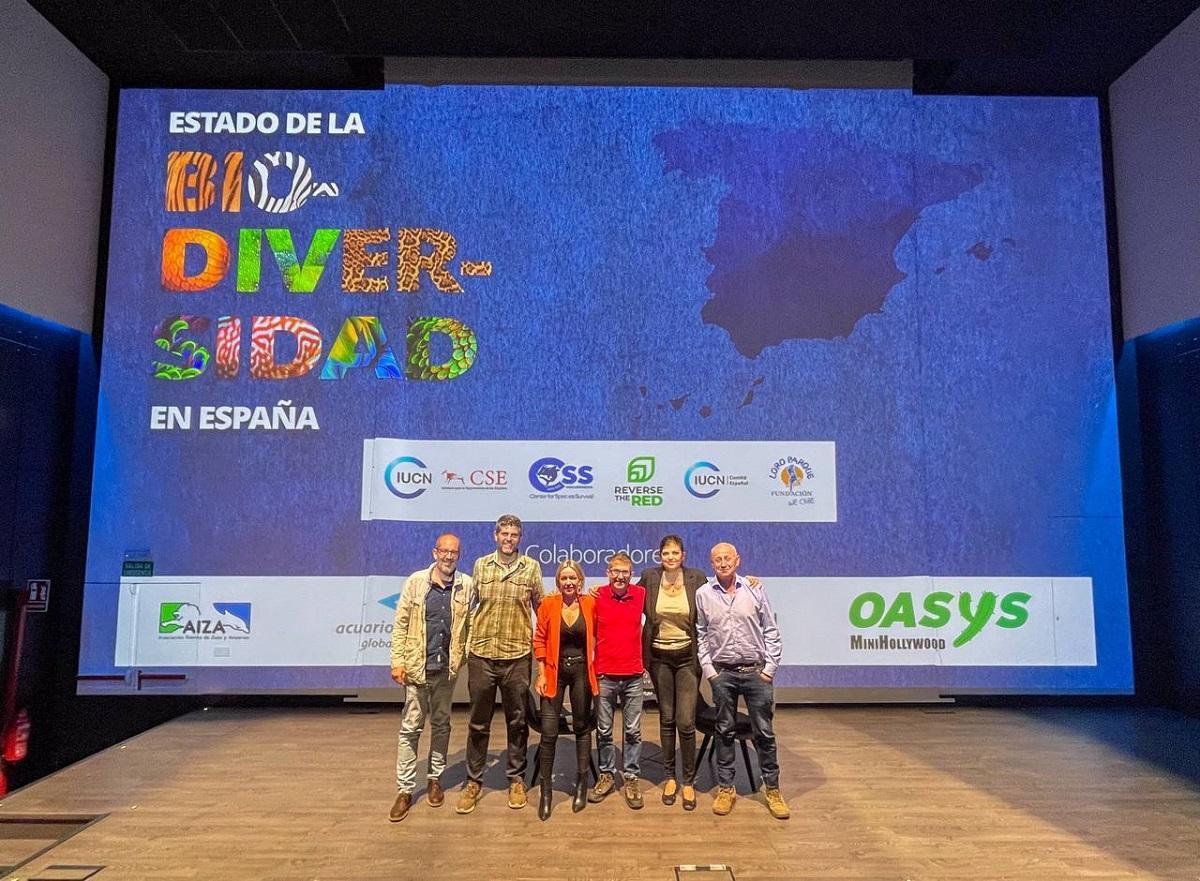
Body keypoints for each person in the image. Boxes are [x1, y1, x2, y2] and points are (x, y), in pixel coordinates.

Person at [456, 514, 544, 814]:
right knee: (478, 722)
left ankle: (516, 779)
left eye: (514, 534)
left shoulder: (531, 568)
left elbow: (542, 610)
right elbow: (469, 607)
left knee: (517, 722)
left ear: (520, 538)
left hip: (517, 656)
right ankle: (473, 781)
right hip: (481, 654)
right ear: (495, 535)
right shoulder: (481, 565)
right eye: (504, 533)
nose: (509, 538)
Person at [696, 542, 790, 820]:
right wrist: (710, 671)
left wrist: (769, 668)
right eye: (717, 560)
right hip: (723, 674)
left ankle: (772, 789)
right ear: (711, 565)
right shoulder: (703, 594)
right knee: (724, 730)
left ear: (738, 560)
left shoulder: (755, 589)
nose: (723, 563)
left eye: (727, 558)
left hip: (756, 673)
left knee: (764, 733)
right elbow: (700, 634)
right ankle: (726, 788)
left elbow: (771, 630)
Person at [388, 534, 475, 822]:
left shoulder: (466, 585)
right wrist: (397, 662)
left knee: (441, 726)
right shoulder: (415, 582)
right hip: (416, 670)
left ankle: (435, 778)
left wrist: (461, 658)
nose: (449, 557)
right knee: (410, 729)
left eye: (454, 552)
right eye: (444, 551)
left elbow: (471, 626)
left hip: (445, 672)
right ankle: (404, 790)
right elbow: (400, 624)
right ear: (435, 552)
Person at [639, 534, 706, 811]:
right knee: (666, 718)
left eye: (675, 553)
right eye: (666, 553)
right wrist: (597, 593)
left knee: (686, 720)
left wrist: (750, 583)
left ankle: (688, 781)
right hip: (659, 659)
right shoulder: (649, 577)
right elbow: (626, 598)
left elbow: (715, 602)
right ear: (660, 556)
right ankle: (669, 777)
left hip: (688, 658)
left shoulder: (697, 578)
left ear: (683, 555)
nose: (670, 557)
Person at [533, 560, 598, 819]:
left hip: (582, 671)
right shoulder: (548, 604)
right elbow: (539, 639)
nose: (568, 582)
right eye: (564, 578)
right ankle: (546, 790)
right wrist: (540, 674)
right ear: (558, 582)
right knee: (548, 733)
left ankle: (582, 782)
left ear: (580, 580)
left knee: (582, 727)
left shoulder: (591, 604)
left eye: (573, 578)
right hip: (553, 672)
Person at [588, 551, 647, 809]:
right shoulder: (596, 596)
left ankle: (632, 777)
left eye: (625, 572)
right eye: (616, 571)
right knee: (604, 731)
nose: (620, 576)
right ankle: (607, 774)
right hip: (604, 675)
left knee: (633, 731)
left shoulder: (641, 595)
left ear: (631, 574)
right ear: (608, 573)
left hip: (634, 675)